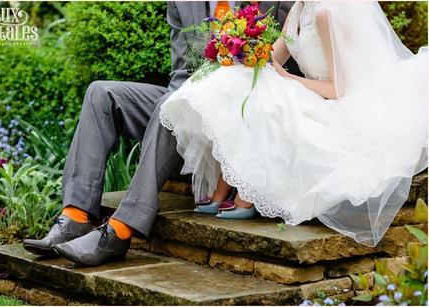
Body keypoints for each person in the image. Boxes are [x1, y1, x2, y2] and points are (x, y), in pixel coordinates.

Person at [22, 1, 298, 266]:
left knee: (174, 104)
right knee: (101, 94)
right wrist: (180, 99)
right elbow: (181, 70)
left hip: (244, 108)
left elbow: (285, 63)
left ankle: (120, 229)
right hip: (189, 95)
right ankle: (75, 216)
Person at [159, 1, 428, 247]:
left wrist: (287, 78)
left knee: (274, 102)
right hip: (315, 94)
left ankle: (244, 193)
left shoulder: (325, 13)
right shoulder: (300, 7)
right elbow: (273, 57)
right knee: (245, 84)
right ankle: (230, 184)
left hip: (339, 104)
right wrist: (242, 50)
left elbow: (337, 89)